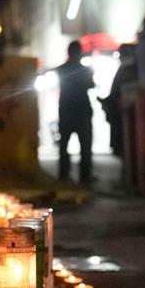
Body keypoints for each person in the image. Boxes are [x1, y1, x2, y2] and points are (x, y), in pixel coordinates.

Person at [55, 40, 96, 184]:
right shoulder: (85, 70)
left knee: (64, 146)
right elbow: (91, 85)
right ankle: (84, 176)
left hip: (66, 111)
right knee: (85, 146)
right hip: (82, 111)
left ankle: (63, 175)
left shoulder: (62, 70)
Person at [101, 43, 137, 160]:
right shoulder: (125, 69)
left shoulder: (128, 69)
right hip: (121, 113)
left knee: (126, 144)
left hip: (124, 113)